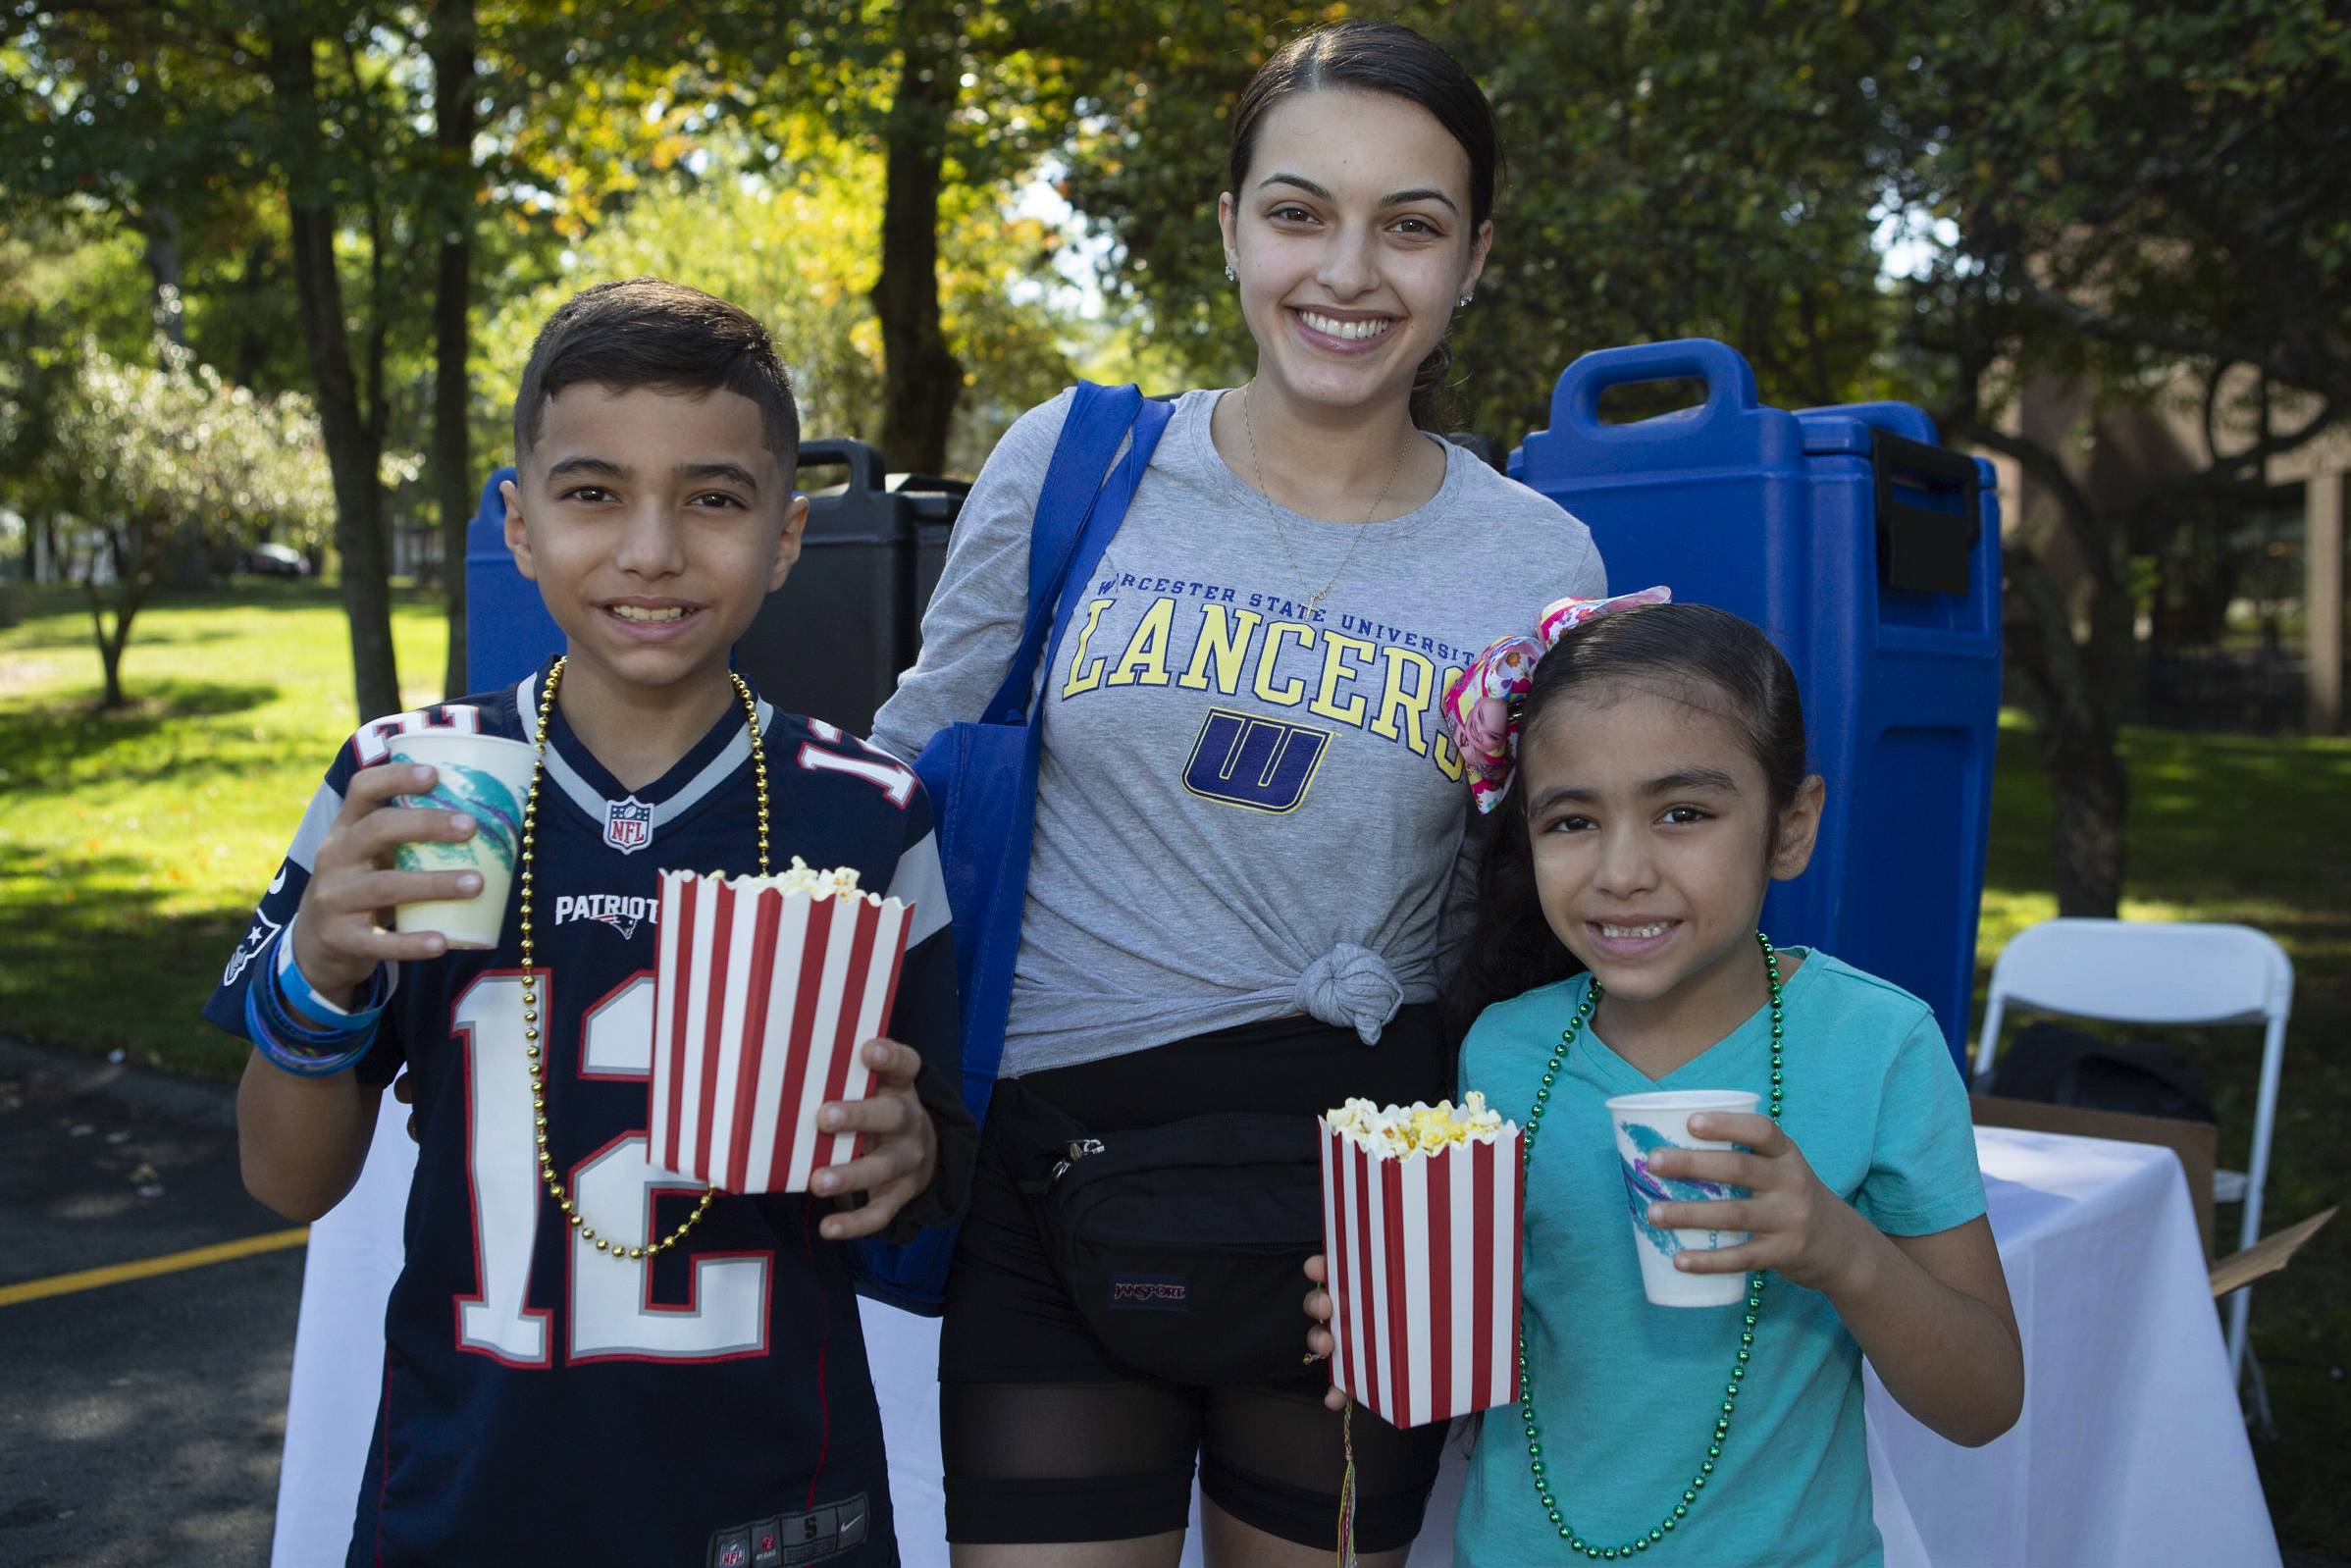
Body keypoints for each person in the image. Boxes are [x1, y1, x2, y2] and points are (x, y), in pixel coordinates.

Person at [867, 21, 1607, 1567]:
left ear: (1472, 259)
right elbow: (904, 776)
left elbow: (1556, 906)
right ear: (1229, 230)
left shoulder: (1541, 560)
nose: (1348, 270)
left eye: (1409, 225)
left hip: (1368, 1211)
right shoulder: (1073, 461)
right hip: (1047, 1187)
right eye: (1298, 212)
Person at [209, 279, 976, 1568]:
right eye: (593, 492)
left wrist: (902, 1158)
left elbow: (934, 1175)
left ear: (788, 536)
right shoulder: (412, 785)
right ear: (517, 522)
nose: (651, 549)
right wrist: (320, 967)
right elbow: (287, 1178)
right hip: (463, 1504)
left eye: (714, 499)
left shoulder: (869, 813)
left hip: (776, 1517)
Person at [1304, 599, 2025, 1566]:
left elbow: (1983, 1399)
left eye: (1681, 812)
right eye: (1571, 819)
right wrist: (1398, 1318)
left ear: (1789, 825)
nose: (1620, 870)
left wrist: (1838, 1249)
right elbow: (1529, 1346)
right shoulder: (1504, 1048)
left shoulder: (1876, 1042)